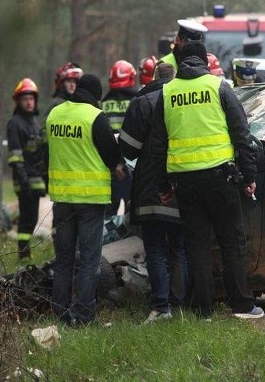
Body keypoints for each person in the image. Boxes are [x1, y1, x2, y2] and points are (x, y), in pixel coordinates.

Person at [150, 40, 263, 319]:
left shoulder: (167, 93)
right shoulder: (219, 87)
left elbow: (157, 145)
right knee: (231, 242)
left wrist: (163, 185)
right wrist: (249, 175)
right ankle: (242, 305)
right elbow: (242, 136)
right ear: (204, 61)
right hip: (220, 179)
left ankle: (204, 309)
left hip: (185, 183)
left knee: (197, 245)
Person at [46, 73, 125, 327]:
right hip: (90, 200)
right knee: (90, 260)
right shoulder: (95, 117)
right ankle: (83, 315)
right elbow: (112, 156)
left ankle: (59, 312)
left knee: (63, 259)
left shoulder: (54, 115)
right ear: (95, 96)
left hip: (62, 198)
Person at [119, 62, 188, 323]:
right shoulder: (184, 101)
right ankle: (180, 305)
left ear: (154, 77)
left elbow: (128, 148)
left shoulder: (143, 102)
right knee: (180, 249)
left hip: (150, 186)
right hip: (182, 182)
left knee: (156, 249)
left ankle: (161, 307)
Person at [6, 78, 47, 261]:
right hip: (25, 181)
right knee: (26, 221)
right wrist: (24, 182)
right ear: (19, 102)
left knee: (32, 220)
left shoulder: (34, 122)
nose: (29, 102)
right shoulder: (15, 123)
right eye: (25, 99)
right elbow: (16, 157)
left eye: (31, 98)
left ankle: (26, 254)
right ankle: (23, 255)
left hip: (36, 180)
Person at [102, 60, 138, 216]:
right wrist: (124, 163)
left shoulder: (103, 104)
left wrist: (114, 164)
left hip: (110, 168)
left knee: (108, 214)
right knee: (132, 212)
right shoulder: (136, 101)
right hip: (130, 167)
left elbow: (102, 137)